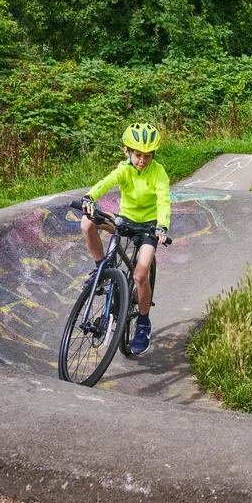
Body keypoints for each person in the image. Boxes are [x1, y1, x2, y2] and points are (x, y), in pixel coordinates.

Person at [80, 122, 171, 355]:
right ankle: (102, 267)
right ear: (127, 151)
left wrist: (162, 226)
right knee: (87, 222)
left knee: (141, 274)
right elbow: (106, 182)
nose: (142, 160)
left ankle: (142, 323)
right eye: (138, 155)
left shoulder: (159, 172)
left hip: (149, 228)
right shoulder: (124, 169)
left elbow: (163, 200)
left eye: (148, 156)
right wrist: (90, 197)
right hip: (125, 220)